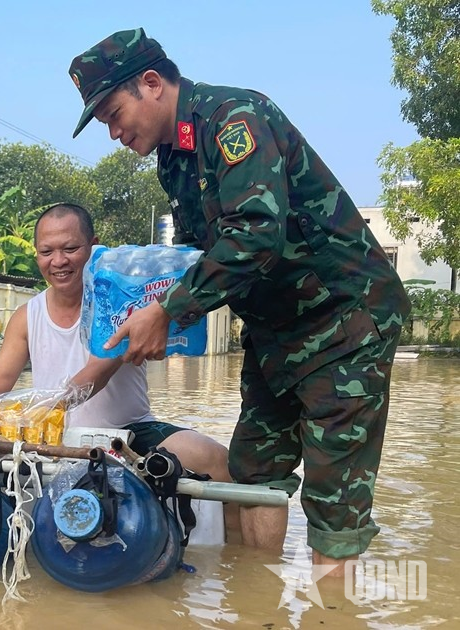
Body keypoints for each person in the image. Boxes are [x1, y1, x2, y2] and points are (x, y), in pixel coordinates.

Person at [67, 27, 411, 576]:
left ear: (151, 83)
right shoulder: (173, 159)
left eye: (112, 113)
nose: (112, 132)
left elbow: (255, 233)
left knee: (333, 500)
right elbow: (199, 257)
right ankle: (256, 607)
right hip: (276, 334)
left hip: (345, 323)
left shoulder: (234, 118)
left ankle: (333, 614)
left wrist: (170, 311)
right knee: (252, 474)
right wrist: (152, 309)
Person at [0, 203, 240, 539]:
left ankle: (236, 567)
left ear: (93, 246)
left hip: (128, 432)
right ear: (37, 254)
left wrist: (31, 414)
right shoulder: (27, 315)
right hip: (53, 438)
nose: (58, 261)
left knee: (215, 459)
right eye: (46, 251)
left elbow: (96, 374)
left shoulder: (121, 300)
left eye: (71, 248)